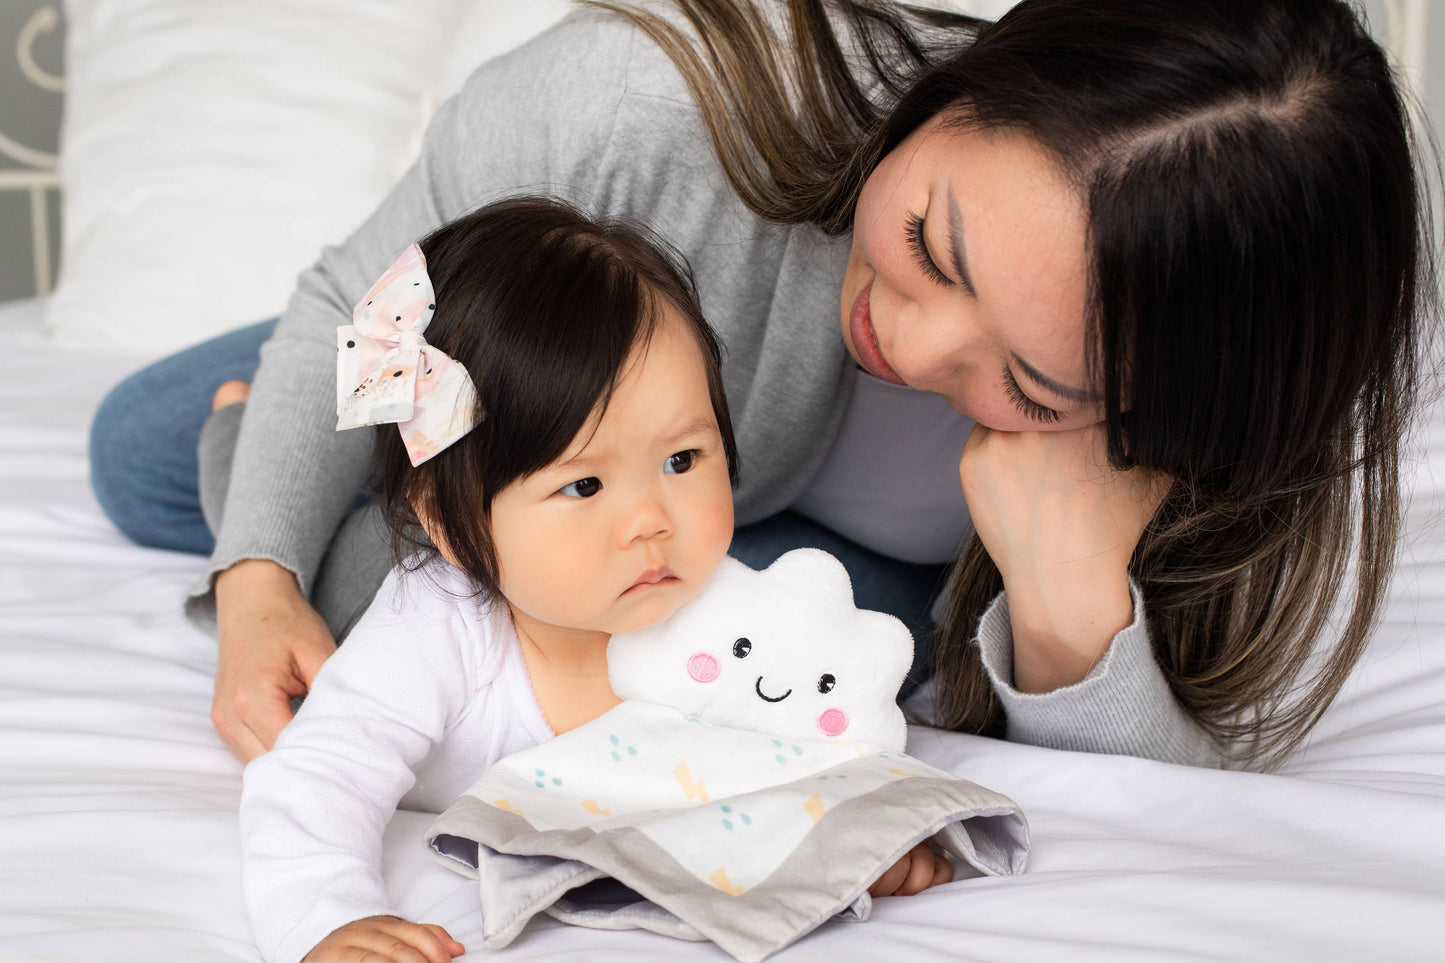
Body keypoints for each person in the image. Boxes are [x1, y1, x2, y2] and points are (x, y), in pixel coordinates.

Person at [90, 0, 1435, 772]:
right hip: (501, 350)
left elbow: (1172, 806)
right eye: (927, 247)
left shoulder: (1195, 431)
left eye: (1027, 379)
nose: (916, 348)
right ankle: (270, 416)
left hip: (794, 550)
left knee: (767, 663)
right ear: (964, 86)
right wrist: (255, 577)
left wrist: (1075, 615)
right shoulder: (642, 101)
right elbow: (361, 320)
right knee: (160, 466)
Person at [236, 196, 951, 963]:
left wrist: (861, 834)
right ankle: (231, 424)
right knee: (307, 527)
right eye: (583, 486)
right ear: (448, 518)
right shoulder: (434, 624)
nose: (651, 520)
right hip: (391, 546)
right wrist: (324, 917)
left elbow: (806, 735)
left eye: (682, 460)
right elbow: (318, 773)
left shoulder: (724, 611)